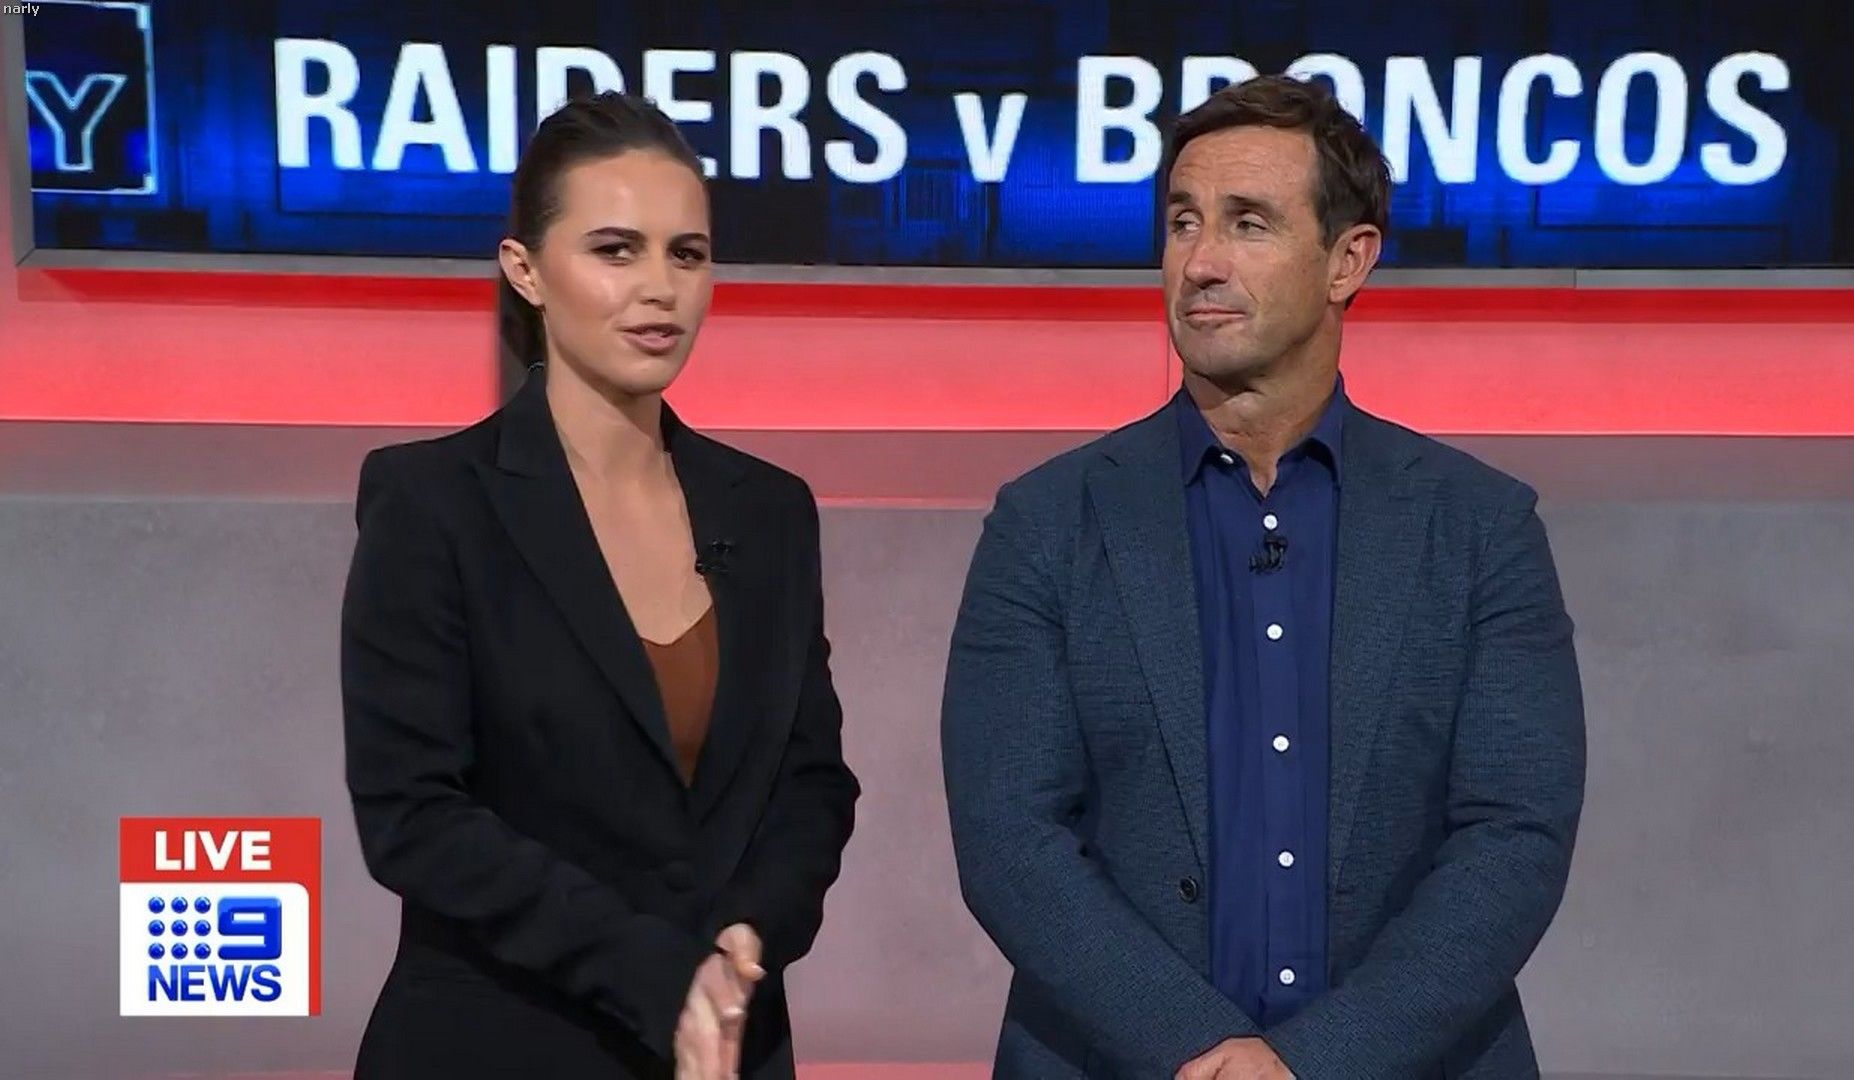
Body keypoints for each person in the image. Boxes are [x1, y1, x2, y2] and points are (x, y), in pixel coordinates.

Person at [941, 73, 1585, 1079]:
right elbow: (1008, 840)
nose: (1200, 262)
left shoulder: (1478, 528)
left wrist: (1316, 1062)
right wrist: (1200, 1048)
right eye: (1182, 222)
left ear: (1347, 260)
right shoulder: (1048, 524)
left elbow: (1514, 839)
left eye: (1248, 223)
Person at [340, 90, 859, 1080]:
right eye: (616, 250)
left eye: (687, 254)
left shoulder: (771, 512)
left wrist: (749, 935)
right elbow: (414, 816)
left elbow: (811, 782)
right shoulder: (433, 502)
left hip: (725, 1043)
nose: (660, 288)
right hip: (498, 1048)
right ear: (525, 270)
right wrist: (656, 975)